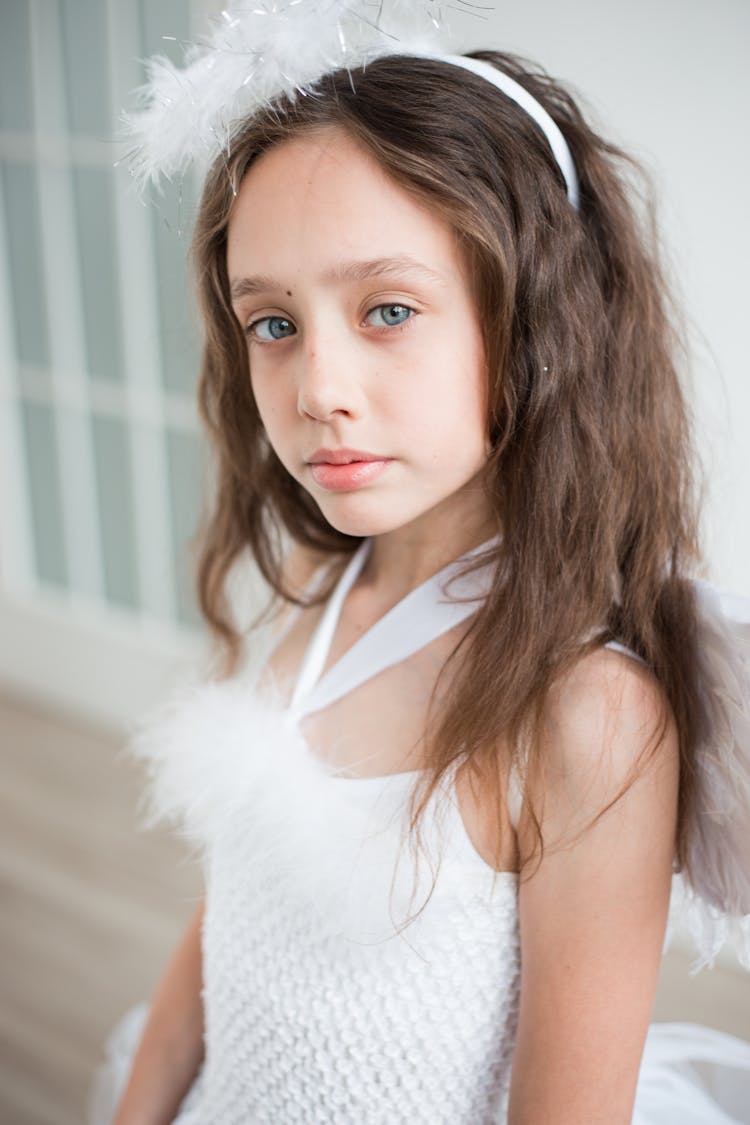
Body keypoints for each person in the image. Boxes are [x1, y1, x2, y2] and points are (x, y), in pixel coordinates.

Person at [90, 4, 750, 1122]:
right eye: (273, 323)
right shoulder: (327, 595)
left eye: (387, 309)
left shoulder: (584, 715)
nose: (318, 388)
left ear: (536, 324)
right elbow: (238, 909)